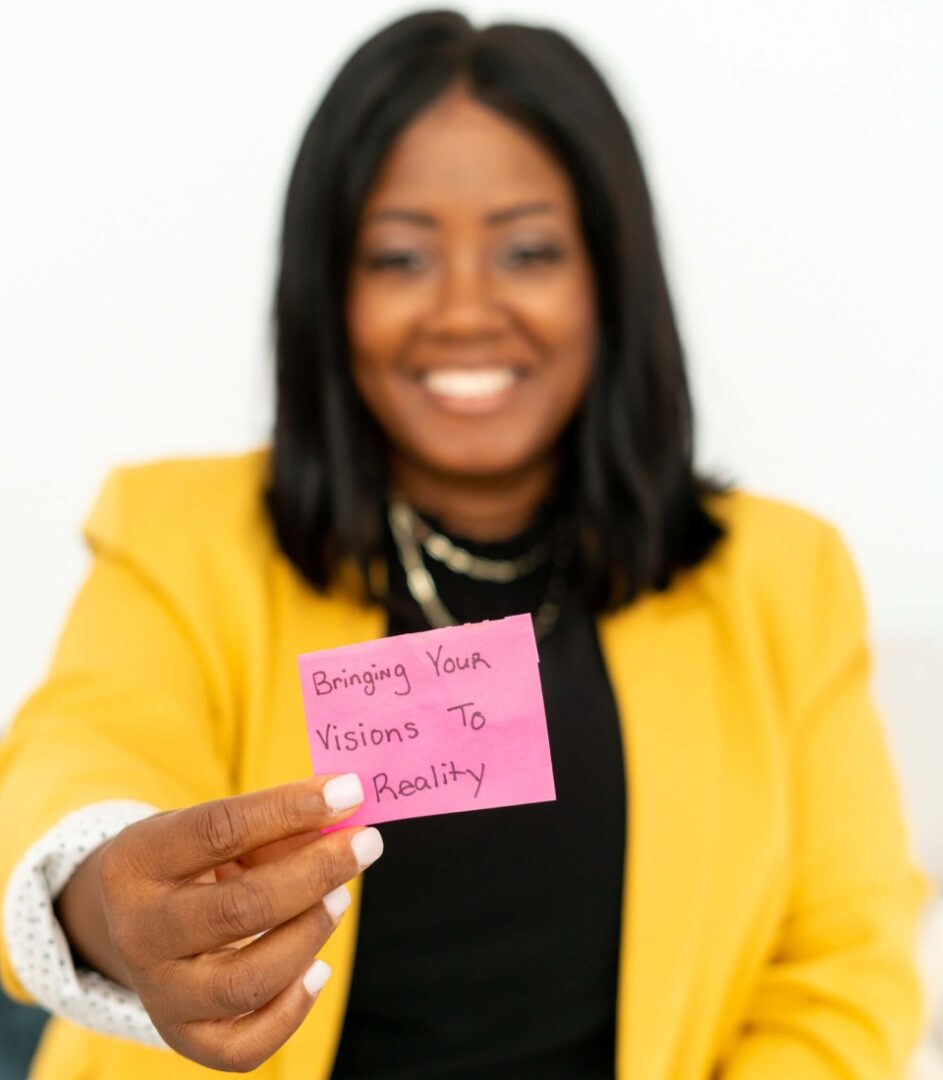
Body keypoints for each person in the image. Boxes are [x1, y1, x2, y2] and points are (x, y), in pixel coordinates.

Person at [0, 9, 929, 1079]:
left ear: (608, 279)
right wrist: (94, 891)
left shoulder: (783, 582)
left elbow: (844, 969)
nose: (464, 310)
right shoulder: (180, 540)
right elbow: (83, 748)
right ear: (328, 291)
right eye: (399, 257)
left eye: (528, 250)